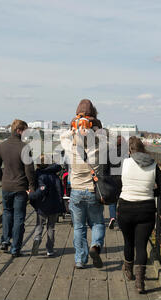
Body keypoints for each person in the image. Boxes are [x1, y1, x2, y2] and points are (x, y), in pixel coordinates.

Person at [117, 136, 161, 293]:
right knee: (141, 246)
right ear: (142, 149)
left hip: (126, 207)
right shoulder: (153, 164)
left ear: (130, 150)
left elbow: (119, 183)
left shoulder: (124, 163)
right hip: (146, 209)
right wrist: (151, 192)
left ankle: (129, 272)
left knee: (128, 242)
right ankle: (140, 283)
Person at [60, 99, 106, 269]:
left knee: (79, 227)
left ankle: (80, 260)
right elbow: (106, 136)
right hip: (94, 191)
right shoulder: (100, 144)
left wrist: (74, 126)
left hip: (76, 192)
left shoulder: (70, 145)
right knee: (97, 223)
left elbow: (62, 136)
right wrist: (95, 125)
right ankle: (96, 246)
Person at [0, 119, 36, 257]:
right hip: (20, 187)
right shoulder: (24, 147)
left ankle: (5, 241)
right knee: (19, 218)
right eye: (25, 130)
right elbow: (29, 170)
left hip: (6, 186)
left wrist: (3, 180)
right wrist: (32, 186)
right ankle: (15, 249)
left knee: (7, 213)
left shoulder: (2, 146)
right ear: (19, 130)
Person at [28, 155, 65, 257]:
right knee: (51, 227)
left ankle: (37, 239)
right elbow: (60, 190)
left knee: (39, 225)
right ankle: (50, 249)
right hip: (54, 206)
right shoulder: (55, 175)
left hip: (43, 206)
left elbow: (41, 190)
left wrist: (30, 195)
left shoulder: (40, 176)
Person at [107, 134, 127, 230]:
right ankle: (121, 219)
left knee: (112, 201)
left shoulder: (111, 152)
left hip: (112, 179)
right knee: (122, 201)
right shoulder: (126, 154)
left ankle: (112, 217)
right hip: (123, 179)